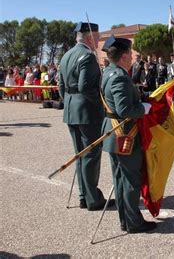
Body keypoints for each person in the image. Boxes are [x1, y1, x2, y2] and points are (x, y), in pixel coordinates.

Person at [100, 35, 156, 234]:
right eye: (130, 54)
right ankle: (133, 222)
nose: (132, 57)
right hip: (125, 134)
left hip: (112, 131)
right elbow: (125, 110)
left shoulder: (108, 72)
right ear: (124, 56)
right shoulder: (120, 77)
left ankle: (126, 219)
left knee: (120, 179)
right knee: (130, 179)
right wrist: (144, 107)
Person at [58, 22, 110, 211]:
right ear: (89, 37)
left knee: (81, 156)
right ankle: (93, 200)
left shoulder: (66, 55)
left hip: (72, 111)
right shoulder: (87, 56)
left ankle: (84, 196)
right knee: (90, 155)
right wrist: (103, 104)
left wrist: (71, 104)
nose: (98, 41)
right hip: (87, 112)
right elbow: (86, 87)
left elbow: (62, 87)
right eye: (97, 37)